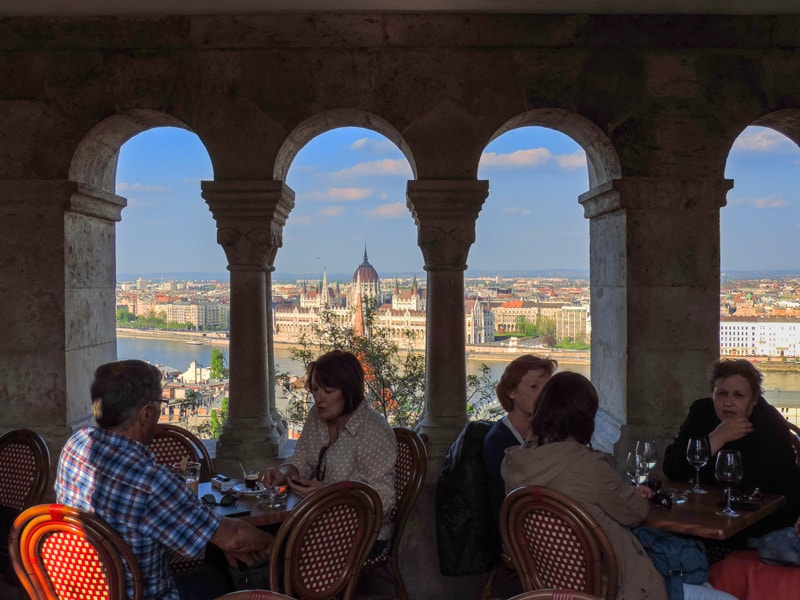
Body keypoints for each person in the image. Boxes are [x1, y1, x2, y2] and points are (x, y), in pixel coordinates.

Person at [55, 360, 273, 600]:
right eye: (161, 404)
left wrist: (219, 539)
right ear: (147, 413)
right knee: (215, 578)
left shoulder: (76, 445)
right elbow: (236, 538)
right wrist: (271, 543)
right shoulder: (151, 482)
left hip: (79, 590)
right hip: (140, 595)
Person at [264, 349, 396, 554]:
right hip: (314, 519)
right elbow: (302, 460)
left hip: (361, 533)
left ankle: (275, 583)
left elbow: (383, 499)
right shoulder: (316, 417)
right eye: (315, 390)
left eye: (328, 391)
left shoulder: (373, 428)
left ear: (348, 390)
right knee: (257, 538)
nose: (319, 398)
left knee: (276, 550)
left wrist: (328, 493)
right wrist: (286, 473)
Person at [663, 359, 800, 538]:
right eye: (721, 393)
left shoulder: (769, 424)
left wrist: (698, 473)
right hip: (704, 515)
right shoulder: (701, 412)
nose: (728, 402)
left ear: (754, 399)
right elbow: (672, 468)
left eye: (738, 395)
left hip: (760, 523)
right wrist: (717, 437)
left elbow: (756, 485)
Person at [482, 354, 557, 488]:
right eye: (534, 387)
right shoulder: (498, 441)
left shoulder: (553, 432)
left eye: (547, 388)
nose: (543, 395)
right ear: (512, 392)